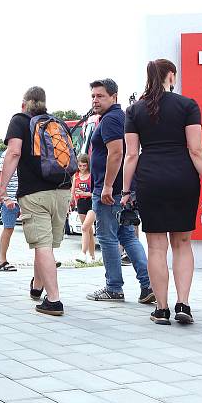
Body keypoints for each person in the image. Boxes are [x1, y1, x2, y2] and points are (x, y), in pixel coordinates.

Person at [123, 59, 202, 324]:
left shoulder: (134, 110)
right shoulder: (187, 105)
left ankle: (161, 309)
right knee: (183, 243)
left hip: (150, 179)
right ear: (171, 76)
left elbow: (131, 155)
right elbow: (196, 150)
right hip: (182, 178)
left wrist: (126, 191)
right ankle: (183, 305)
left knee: (155, 246)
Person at [0, 87, 72, 316]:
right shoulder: (56, 123)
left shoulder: (19, 120)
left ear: (24, 104)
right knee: (46, 245)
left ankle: (54, 300)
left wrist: (1, 188)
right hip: (62, 191)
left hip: (34, 193)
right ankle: (38, 287)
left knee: (42, 246)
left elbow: (14, 153)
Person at [85, 79, 154, 304]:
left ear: (114, 96)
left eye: (100, 96)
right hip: (122, 190)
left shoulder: (112, 119)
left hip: (110, 191)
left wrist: (106, 185)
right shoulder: (120, 117)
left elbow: (116, 153)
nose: (95, 100)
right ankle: (148, 285)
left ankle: (114, 287)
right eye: (93, 96)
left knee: (107, 238)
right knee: (126, 236)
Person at [0, 149, 19, 272]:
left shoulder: (27, 151)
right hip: (10, 198)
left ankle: (45, 259)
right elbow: (0, 177)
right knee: (8, 228)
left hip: (26, 197)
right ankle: (2, 261)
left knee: (36, 228)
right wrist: (5, 198)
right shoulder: (6, 154)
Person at [72, 153, 96, 263]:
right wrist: (71, 201)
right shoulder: (76, 176)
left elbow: (95, 193)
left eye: (84, 166)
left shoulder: (92, 175)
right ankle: (92, 256)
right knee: (88, 230)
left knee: (85, 228)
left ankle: (83, 253)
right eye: (80, 166)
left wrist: (85, 193)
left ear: (88, 165)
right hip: (80, 203)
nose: (82, 168)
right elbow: (72, 191)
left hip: (91, 203)